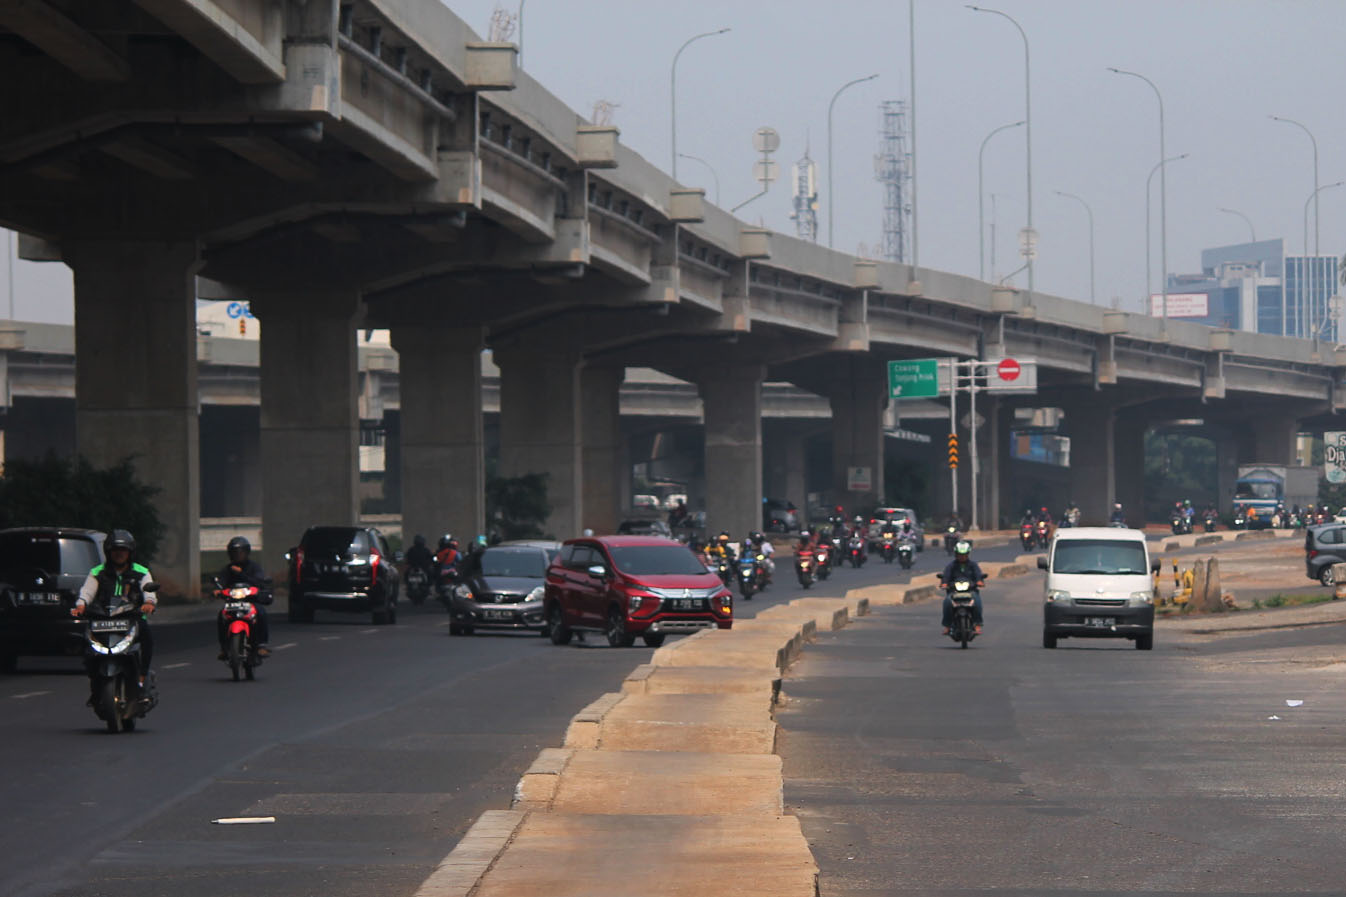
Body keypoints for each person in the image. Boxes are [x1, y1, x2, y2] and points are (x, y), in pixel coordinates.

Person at [71, 530, 156, 696]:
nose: (119, 553)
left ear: (130, 552)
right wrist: (81, 605)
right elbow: (87, 592)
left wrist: (149, 603)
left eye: (123, 550)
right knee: (85, 642)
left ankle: (142, 674)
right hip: (102, 619)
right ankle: (94, 679)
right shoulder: (97, 572)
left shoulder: (141, 572)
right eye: (115, 550)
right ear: (108, 552)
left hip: (132, 619)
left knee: (147, 637)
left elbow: (149, 592)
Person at [215, 536, 271, 659]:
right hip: (233, 602)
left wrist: (241, 574)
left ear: (247, 552)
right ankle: (224, 647)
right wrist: (217, 590)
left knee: (261, 612)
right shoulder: (227, 569)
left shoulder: (254, 567)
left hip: (250, 601)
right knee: (222, 615)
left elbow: (259, 581)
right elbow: (221, 582)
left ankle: (262, 645)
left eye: (240, 552)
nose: (238, 555)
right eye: (234, 553)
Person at [938, 540, 986, 635]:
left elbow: (978, 575)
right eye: (960, 554)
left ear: (968, 554)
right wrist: (944, 583)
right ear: (956, 554)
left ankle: (977, 625)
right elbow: (946, 576)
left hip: (970, 591)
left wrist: (979, 581)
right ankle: (947, 626)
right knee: (947, 602)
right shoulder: (951, 566)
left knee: (977, 602)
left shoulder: (973, 565)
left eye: (964, 554)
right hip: (954, 592)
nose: (962, 557)